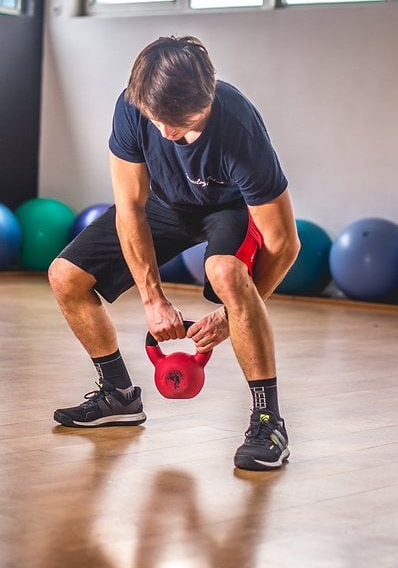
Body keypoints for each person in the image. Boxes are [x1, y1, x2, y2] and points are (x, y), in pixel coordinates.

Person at [48, 35, 300, 471]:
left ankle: (268, 421)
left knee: (226, 274)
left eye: (179, 121)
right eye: (157, 118)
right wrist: (152, 298)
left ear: (206, 99)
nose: (166, 131)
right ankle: (119, 395)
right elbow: (130, 206)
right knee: (66, 276)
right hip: (164, 204)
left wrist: (232, 312)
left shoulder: (238, 130)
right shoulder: (132, 106)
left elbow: (284, 242)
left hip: (227, 208)